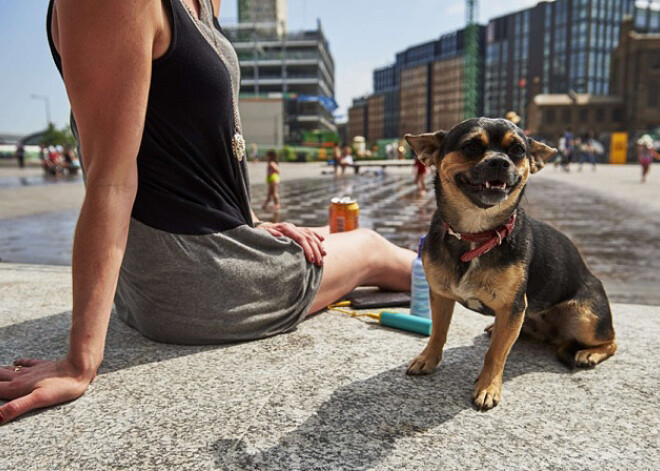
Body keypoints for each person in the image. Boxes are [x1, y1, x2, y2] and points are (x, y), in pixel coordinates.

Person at [0, 0, 416, 425]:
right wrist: (79, 361)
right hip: (195, 276)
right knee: (369, 247)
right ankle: (476, 281)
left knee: (326, 232)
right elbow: (111, 179)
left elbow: (190, 146)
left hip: (200, 255)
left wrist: (254, 223)